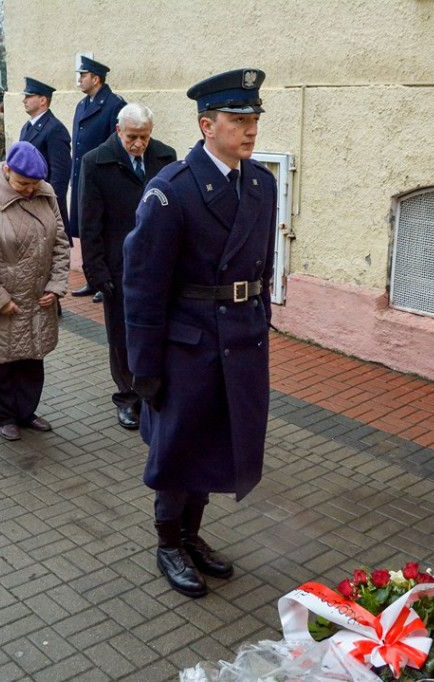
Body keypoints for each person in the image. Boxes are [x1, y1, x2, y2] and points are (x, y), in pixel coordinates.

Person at [122, 69, 276, 599]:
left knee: (216, 441)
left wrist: (261, 319)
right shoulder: (171, 192)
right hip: (187, 343)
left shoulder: (260, 181)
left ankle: (192, 534)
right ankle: (169, 541)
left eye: (254, 119)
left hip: (240, 336)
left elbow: (263, 268)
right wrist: (144, 368)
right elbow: (142, 287)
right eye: (239, 120)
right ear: (207, 125)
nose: (250, 130)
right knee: (179, 445)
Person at [0, 141, 69, 441]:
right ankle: (5, 416)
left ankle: (26, 412)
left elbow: (61, 244)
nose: (29, 190)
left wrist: (57, 285)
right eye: (23, 183)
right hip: (1, 300)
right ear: (7, 170)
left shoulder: (45, 195)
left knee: (32, 360)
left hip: (37, 298)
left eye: (35, 184)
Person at [78, 103, 176, 430]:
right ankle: (127, 396)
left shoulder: (165, 157)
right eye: (132, 137)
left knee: (157, 328)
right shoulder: (96, 162)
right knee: (121, 335)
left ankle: (152, 390)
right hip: (117, 264)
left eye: (144, 137)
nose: (139, 144)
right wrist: (96, 272)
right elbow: (89, 222)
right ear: (119, 131)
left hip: (158, 262)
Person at [70, 56, 125, 299]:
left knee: (105, 232)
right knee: (87, 230)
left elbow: (117, 146)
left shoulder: (114, 105)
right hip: (83, 177)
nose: (79, 79)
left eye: (83, 75)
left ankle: (107, 280)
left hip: (104, 180)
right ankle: (92, 279)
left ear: (96, 78)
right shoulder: (82, 105)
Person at [19, 78, 70, 232]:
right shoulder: (27, 127)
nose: (24, 100)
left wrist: (50, 203)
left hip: (43, 202)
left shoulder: (55, 129)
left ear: (43, 100)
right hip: (29, 199)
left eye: (29, 97)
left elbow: (60, 174)